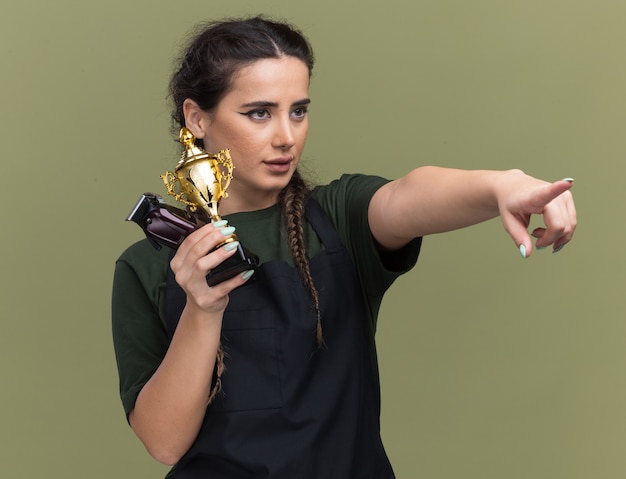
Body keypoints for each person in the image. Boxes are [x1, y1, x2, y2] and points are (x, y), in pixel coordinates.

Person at [112, 15, 577, 479]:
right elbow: (164, 442)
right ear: (197, 118)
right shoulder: (147, 265)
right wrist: (202, 308)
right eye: (259, 112)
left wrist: (503, 185)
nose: (286, 136)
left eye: (298, 110)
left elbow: (408, 195)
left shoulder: (336, 218)